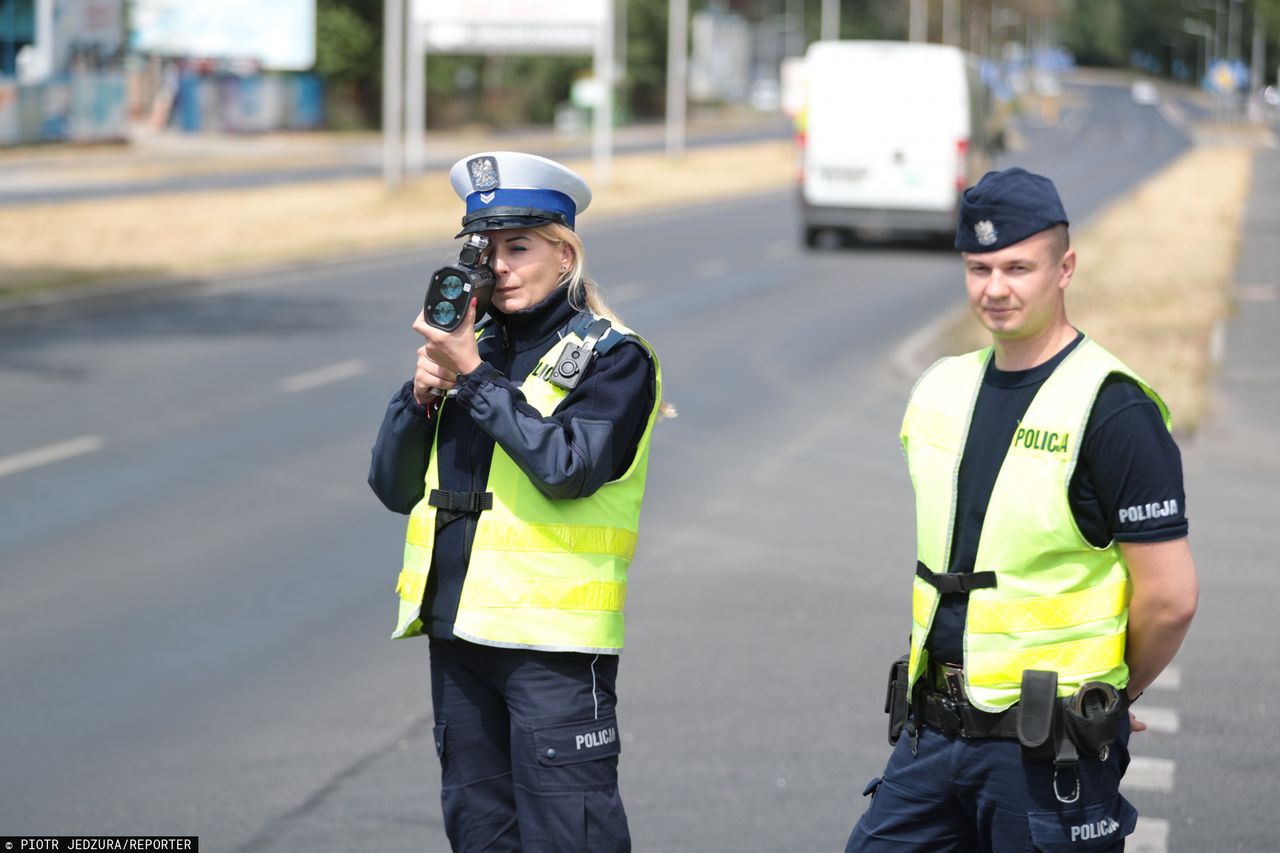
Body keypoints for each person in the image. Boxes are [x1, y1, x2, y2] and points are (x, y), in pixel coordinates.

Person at [845, 168, 1198, 852]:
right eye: (978, 267)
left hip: (1046, 752)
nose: (995, 287)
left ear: (1064, 268)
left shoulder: (1112, 405)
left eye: (1017, 266)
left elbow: (1171, 596)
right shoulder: (942, 387)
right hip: (931, 734)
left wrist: (1114, 690)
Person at [369, 151, 668, 852]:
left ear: (564, 254)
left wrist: (472, 375)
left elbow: (567, 468)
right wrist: (419, 397)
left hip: (553, 652)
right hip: (459, 639)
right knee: (481, 838)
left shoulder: (614, 358)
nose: (497, 266)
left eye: (518, 246)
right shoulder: (476, 348)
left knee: (572, 840)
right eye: (485, 249)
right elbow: (390, 486)